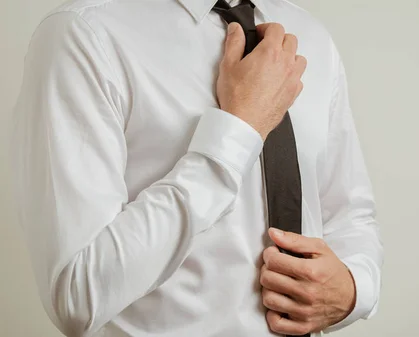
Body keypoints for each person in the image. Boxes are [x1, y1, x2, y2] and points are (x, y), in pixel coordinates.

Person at [11, 0, 383, 336]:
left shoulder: (311, 35)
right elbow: (79, 295)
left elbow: (349, 214)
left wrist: (354, 289)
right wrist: (241, 127)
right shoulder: (85, 34)